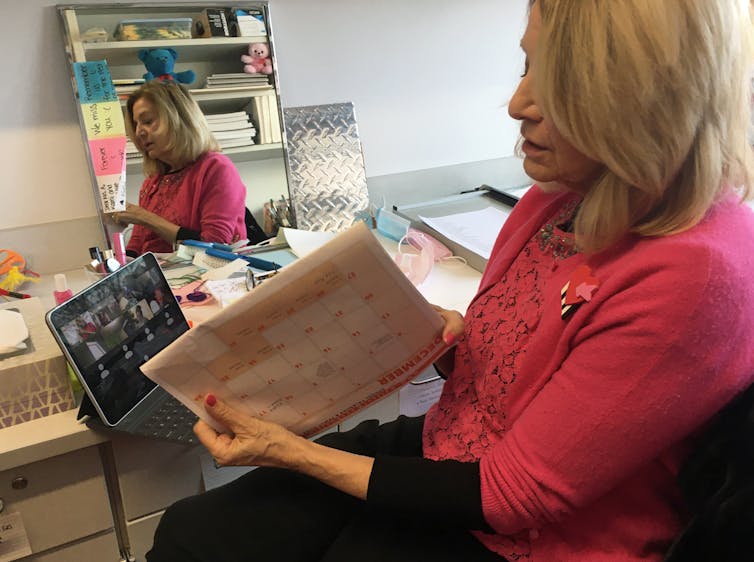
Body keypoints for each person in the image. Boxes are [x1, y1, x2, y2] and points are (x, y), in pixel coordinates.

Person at [147, 1, 754, 561]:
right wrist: (446, 347)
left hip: (532, 535)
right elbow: (514, 371)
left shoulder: (694, 274)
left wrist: (290, 450)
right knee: (188, 534)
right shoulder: (558, 196)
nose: (517, 103)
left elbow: (511, 498)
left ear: (651, 99)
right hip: (452, 446)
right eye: (526, 65)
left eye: (561, 83)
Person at [112, 80, 247, 256]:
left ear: (179, 119)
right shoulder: (152, 182)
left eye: (147, 121)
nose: (139, 132)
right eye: (136, 125)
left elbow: (215, 245)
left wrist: (144, 217)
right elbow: (138, 244)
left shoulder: (216, 168)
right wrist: (119, 266)